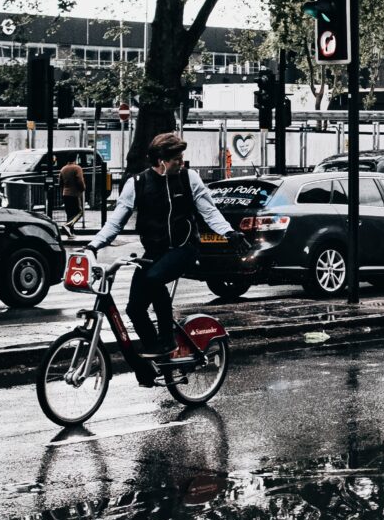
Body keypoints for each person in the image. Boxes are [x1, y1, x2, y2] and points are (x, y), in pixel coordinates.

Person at [89, 132, 251, 385]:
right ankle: (152, 360)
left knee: (153, 279)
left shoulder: (189, 179)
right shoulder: (137, 183)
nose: (181, 162)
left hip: (184, 249)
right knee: (134, 308)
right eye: (176, 158)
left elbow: (209, 211)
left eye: (181, 157)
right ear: (160, 160)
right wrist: (93, 245)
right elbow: (115, 221)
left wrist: (229, 232)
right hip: (153, 253)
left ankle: (167, 339)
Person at [57, 154, 87, 230]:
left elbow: (60, 182)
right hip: (74, 194)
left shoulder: (63, 169)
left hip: (65, 193)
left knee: (69, 214)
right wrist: (83, 188)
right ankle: (67, 225)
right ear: (75, 159)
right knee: (79, 212)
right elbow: (80, 180)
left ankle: (70, 232)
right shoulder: (77, 168)